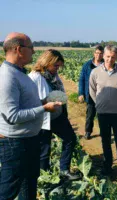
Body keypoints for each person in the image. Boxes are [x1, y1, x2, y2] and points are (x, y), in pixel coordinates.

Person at [0, 33, 62, 200]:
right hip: (15, 144)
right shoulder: (7, 76)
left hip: (28, 141)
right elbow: (12, 116)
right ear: (19, 50)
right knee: (7, 191)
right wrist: (44, 108)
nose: (34, 52)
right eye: (31, 48)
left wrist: (42, 102)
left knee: (28, 186)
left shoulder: (19, 72)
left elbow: (24, 104)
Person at [28, 49, 81, 181]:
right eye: (56, 65)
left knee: (70, 139)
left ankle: (64, 170)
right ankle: (44, 178)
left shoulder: (52, 75)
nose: (58, 68)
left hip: (57, 116)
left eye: (59, 66)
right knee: (44, 148)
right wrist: (46, 103)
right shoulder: (35, 77)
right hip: (42, 118)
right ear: (47, 62)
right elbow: (30, 100)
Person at [89, 45, 117, 180]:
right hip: (103, 113)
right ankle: (107, 166)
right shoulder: (95, 72)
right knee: (106, 141)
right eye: (108, 56)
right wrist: (100, 103)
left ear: (116, 57)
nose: (110, 59)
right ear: (103, 56)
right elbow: (92, 90)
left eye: (113, 57)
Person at [78, 45, 104, 140]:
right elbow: (82, 79)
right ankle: (88, 131)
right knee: (90, 114)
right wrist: (81, 93)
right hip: (90, 94)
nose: (98, 55)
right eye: (97, 53)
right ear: (94, 54)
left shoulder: (106, 65)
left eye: (101, 53)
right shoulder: (87, 65)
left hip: (103, 94)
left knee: (103, 115)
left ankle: (104, 133)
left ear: (103, 55)